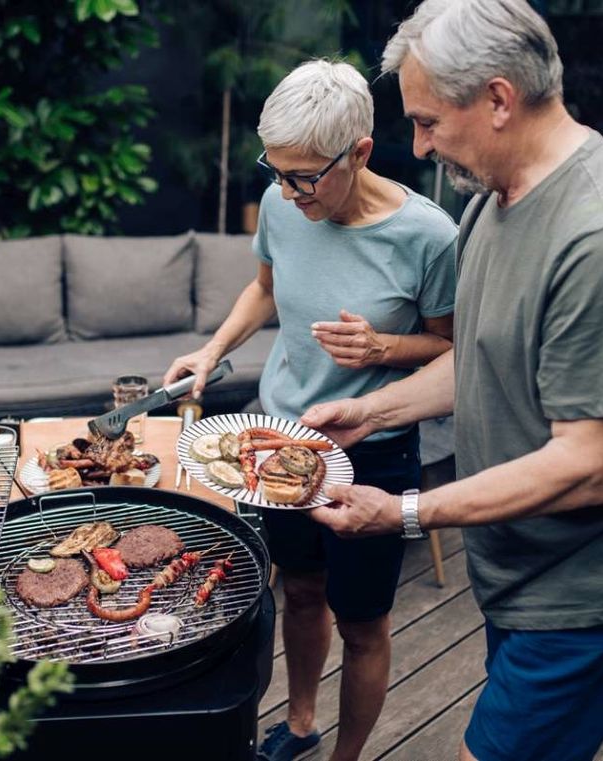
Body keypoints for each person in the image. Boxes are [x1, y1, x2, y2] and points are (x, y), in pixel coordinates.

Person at [299, 2, 603, 760]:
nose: (416, 146)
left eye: (426, 121)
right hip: (515, 558)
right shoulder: (490, 194)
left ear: (497, 99)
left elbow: (588, 465)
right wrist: (372, 410)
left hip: (586, 579)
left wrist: (405, 511)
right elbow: (483, 358)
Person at [163, 60, 458, 761]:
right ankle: (299, 723)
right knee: (298, 590)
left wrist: (384, 344)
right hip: (277, 439)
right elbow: (263, 290)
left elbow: (452, 351)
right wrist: (210, 352)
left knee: (362, 624)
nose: (287, 191)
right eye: (276, 171)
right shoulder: (280, 203)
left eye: (304, 176)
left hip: (374, 453)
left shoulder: (431, 236)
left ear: (358, 153)